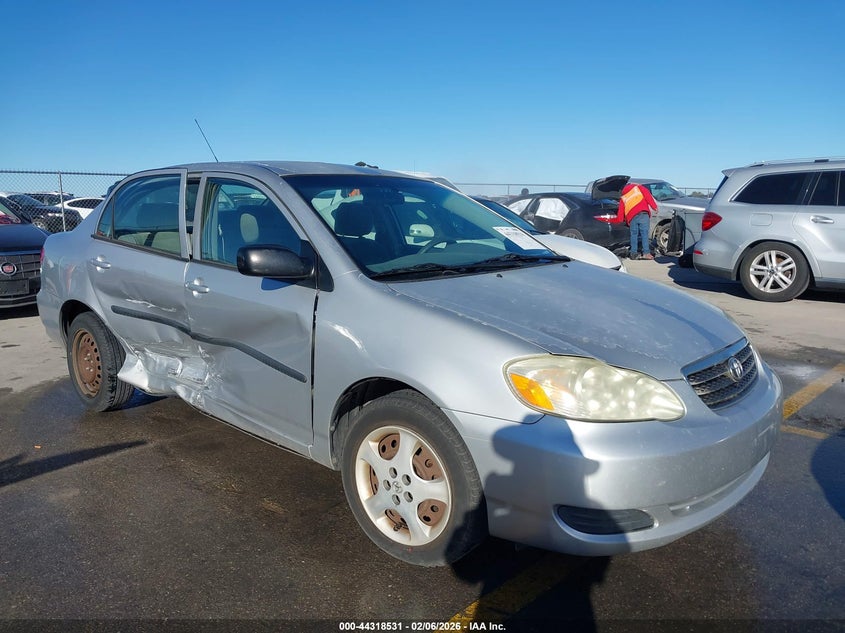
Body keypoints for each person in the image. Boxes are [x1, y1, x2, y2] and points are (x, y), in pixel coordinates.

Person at [615, 181, 658, 259]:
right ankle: (646, 253)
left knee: (633, 234)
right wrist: (654, 207)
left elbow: (621, 210)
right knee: (644, 234)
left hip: (632, 217)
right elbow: (648, 197)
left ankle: (633, 253)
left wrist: (620, 220)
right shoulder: (639, 188)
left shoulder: (624, 196)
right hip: (643, 214)